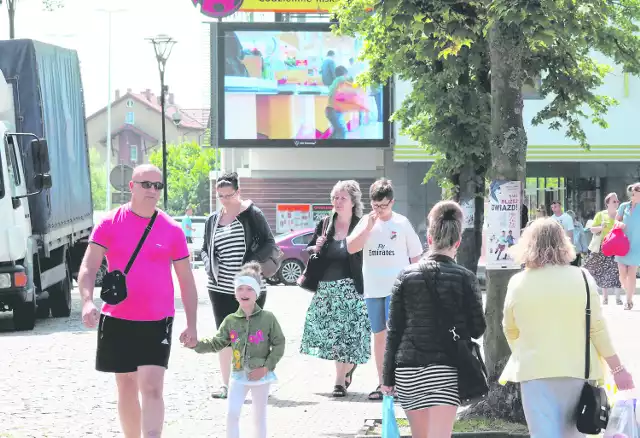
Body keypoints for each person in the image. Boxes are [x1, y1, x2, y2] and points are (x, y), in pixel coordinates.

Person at [78, 164, 199, 438]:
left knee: (153, 385)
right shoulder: (110, 223)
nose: (153, 191)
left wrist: (191, 324)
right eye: (147, 184)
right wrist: (87, 301)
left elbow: (187, 281)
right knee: (126, 385)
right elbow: (88, 267)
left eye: (158, 186)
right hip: (117, 318)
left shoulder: (172, 230)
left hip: (157, 320)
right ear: (131, 186)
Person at [501, 218, 634, 437]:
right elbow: (597, 329)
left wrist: (524, 352)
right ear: (564, 243)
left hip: (534, 372)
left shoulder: (517, 282)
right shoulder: (582, 278)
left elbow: (510, 329)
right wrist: (618, 369)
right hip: (577, 372)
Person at [381, 201, 486, 437]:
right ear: (457, 242)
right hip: (445, 369)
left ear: (429, 239)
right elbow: (477, 328)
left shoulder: (405, 276)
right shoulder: (465, 277)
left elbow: (394, 331)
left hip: (407, 370)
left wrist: (387, 378)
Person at [201, 172, 277, 399]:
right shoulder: (212, 220)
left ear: (238, 191)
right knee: (225, 337)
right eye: (221, 195)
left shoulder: (252, 214)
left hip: (250, 286)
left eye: (229, 194)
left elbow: (269, 243)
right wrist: (208, 265)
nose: (225, 199)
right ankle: (227, 385)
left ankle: (256, 382)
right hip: (220, 287)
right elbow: (205, 248)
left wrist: (250, 263)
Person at [346, 178, 422, 401]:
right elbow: (351, 248)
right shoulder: (366, 222)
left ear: (392, 202)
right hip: (372, 289)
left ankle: (400, 383)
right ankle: (383, 383)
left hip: (396, 288)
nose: (379, 210)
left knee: (395, 336)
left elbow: (415, 255)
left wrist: (415, 283)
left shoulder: (402, 223)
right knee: (379, 336)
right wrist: (368, 227)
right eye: (375, 205)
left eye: (384, 205)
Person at [189, 262, 285, 438]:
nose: (244, 293)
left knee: (259, 417)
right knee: (232, 415)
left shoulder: (268, 318)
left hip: (261, 378)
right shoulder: (230, 320)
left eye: (249, 289)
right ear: (235, 293)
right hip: (238, 377)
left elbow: (279, 344)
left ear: (257, 293)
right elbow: (216, 343)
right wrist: (196, 344)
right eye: (240, 288)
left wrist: (266, 367)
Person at [300, 180, 371, 397]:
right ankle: (345, 373)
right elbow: (309, 248)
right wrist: (316, 246)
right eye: (335, 198)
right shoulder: (324, 223)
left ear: (353, 202)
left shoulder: (361, 224)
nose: (337, 202)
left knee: (347, 337)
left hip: (352, 289)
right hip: (327, 290)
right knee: (334, 339)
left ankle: (340, 381)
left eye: (342, 198)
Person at [584, 192, 622, 305]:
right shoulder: (601, 215)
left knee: (617, 271)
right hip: (603, 247)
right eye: (614, 201)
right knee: (603, 271)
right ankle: (605, 298)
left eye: (617, 201)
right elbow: (592, 229)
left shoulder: (620, 215)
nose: (616, 203)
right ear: (607, 203)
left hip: (616, 247)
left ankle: (618, 298)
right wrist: (601, 227)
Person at [615, 182, 640, 310]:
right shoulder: (624, 206)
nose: (633, 192)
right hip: (622, 243)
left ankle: (629, 300)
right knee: (622, 275)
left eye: (636, 190)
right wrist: (618, 224)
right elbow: (616, 220)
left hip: (637, 244)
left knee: (631, 274)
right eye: (632, 190)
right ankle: (628, 292)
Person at [326, 66, 351, 139]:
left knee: (336, 132)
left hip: (330, 110)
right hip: (334, 111)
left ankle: (325, 147)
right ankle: (342, 148)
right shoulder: (342, 79)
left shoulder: (335, 81)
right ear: (344, 74)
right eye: (346, 74)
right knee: (341, 131)